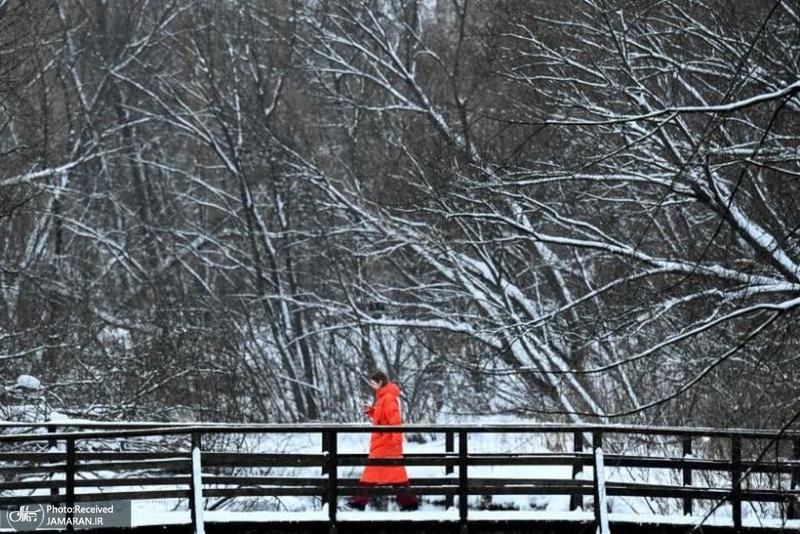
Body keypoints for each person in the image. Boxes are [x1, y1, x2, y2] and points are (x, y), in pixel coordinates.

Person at [345, 370, 420, 511]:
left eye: (373, 383)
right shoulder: (383, 397)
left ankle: (359, 502)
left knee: (371, 472)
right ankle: (410, 503)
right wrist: (372, 412)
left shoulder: (388, 398)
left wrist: (397, 440)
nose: (372, 385)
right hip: (385, 442)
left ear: (380, 382)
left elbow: (395, 421)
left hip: (387, 443)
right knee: (396, 475)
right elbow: (383, 419)